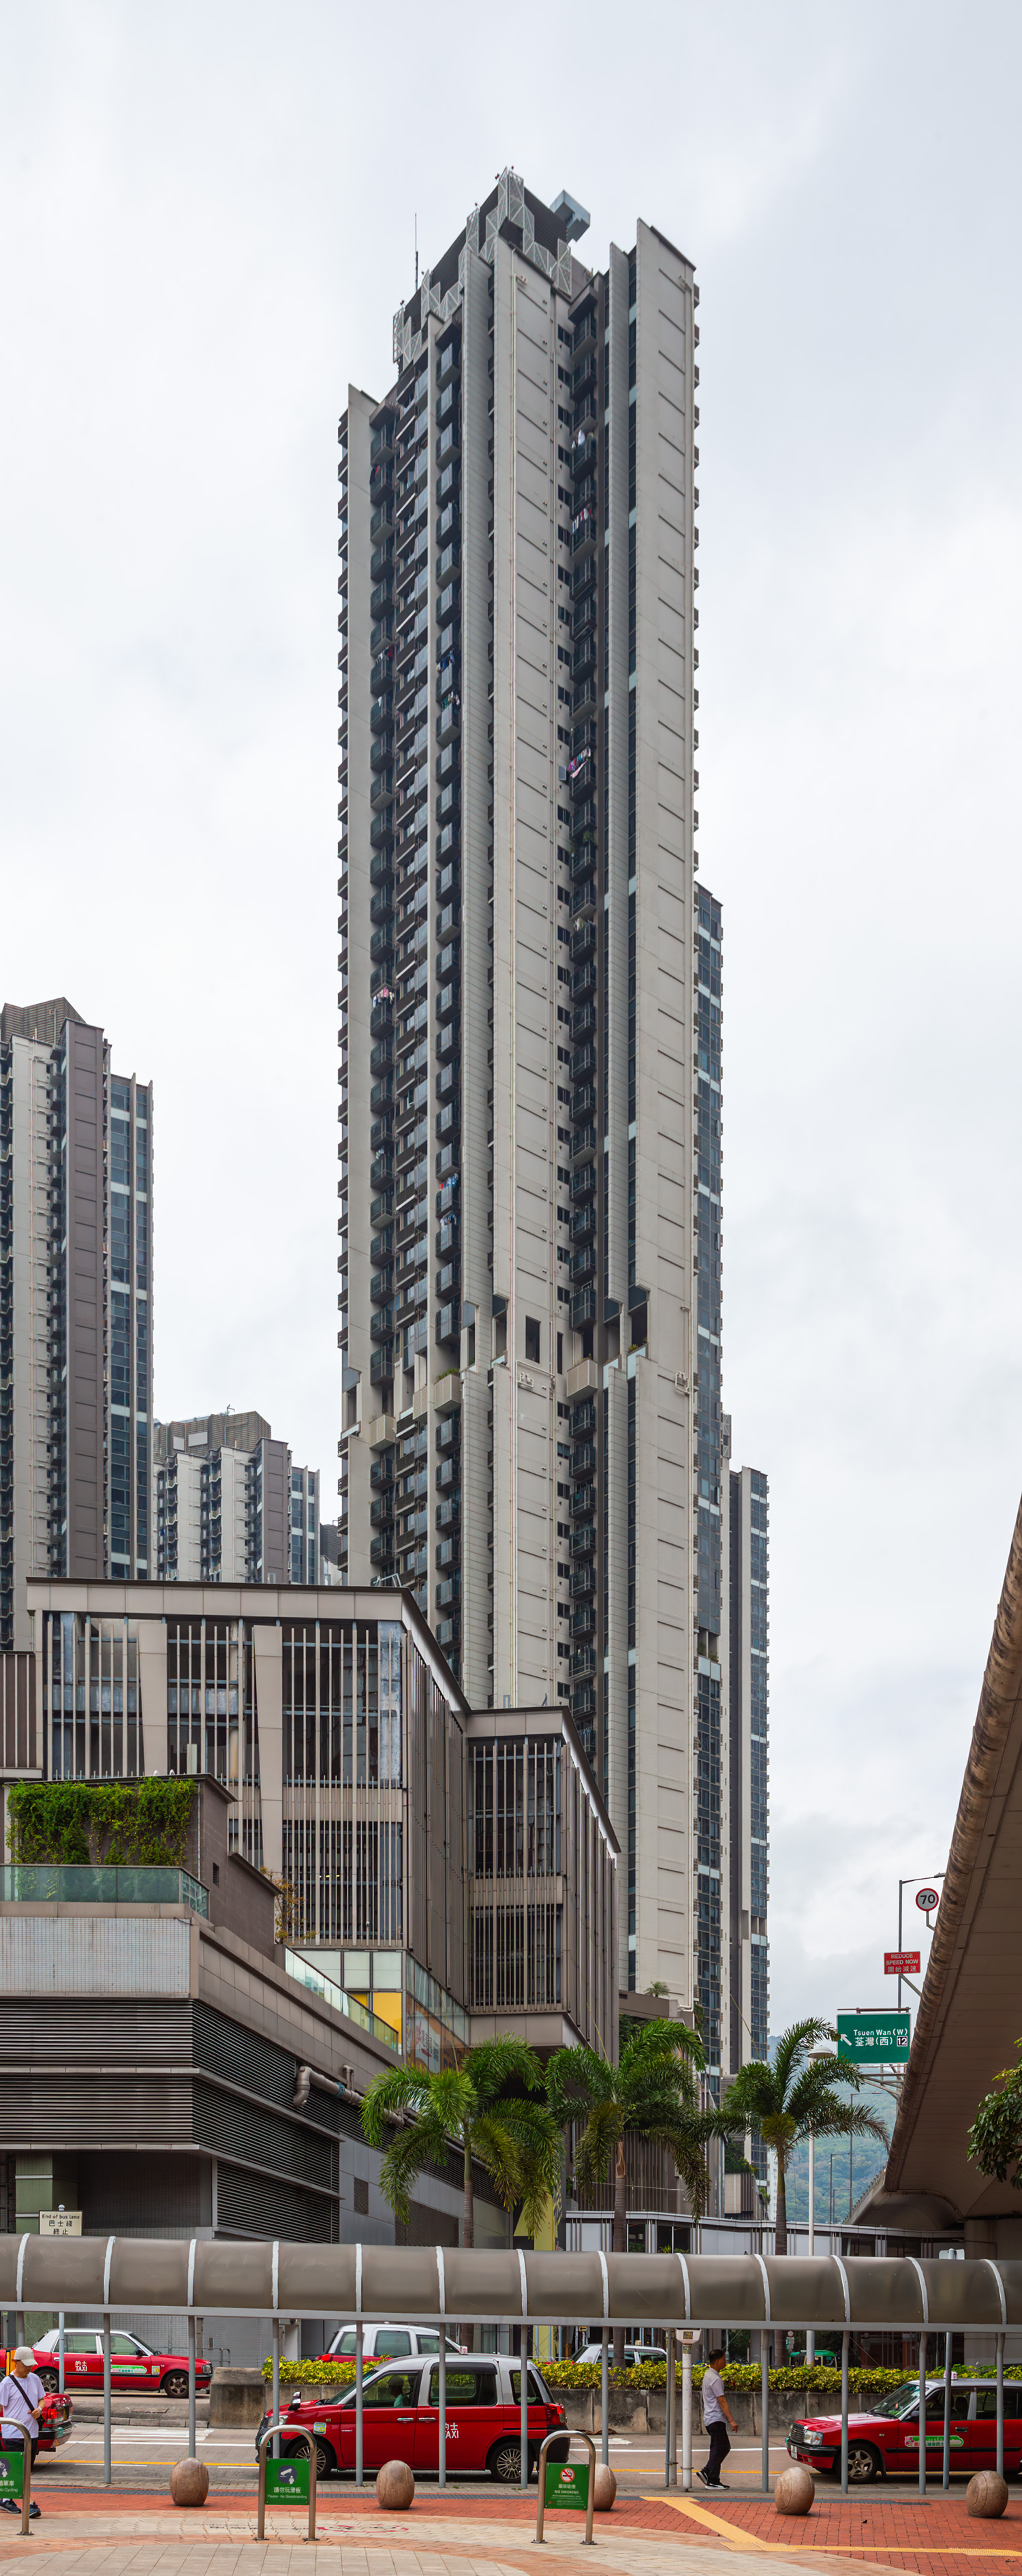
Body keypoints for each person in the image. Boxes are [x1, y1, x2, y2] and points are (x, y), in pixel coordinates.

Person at [0, 2346, 44, 2519]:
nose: (29, 2368)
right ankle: (31, 2504)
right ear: (16, 2362)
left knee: (26, 2469)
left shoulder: (34, 2379)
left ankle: (5, 2499)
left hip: (31, 2434)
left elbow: (42, 2400)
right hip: (14, 2434)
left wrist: (39, 2409)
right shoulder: (6, 2384)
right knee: (22, 2471)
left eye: (31, 2365)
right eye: (25, 2364)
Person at [698, 2346, 737, 2489]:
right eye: (724, 2359)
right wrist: (731, 2420)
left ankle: (709, 2474)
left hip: (710, 2418)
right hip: (716, 2418)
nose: (725, 2362)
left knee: (720, 2448)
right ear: (718, 2361)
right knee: (722, 2448)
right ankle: (711, 2478)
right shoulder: (715, 2379)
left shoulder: (708, 2375)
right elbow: (722, 2400)